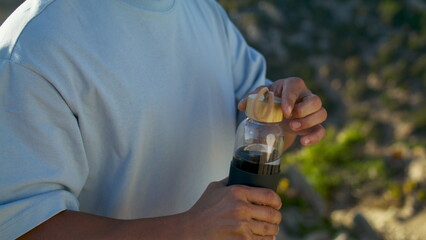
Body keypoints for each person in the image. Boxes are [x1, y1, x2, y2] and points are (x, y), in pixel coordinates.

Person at [0, 0, 327, 239]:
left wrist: (286, 118)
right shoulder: (34, 48)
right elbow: (27, 228)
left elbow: (253, 132)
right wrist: (189, 229)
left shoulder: (202, 11)